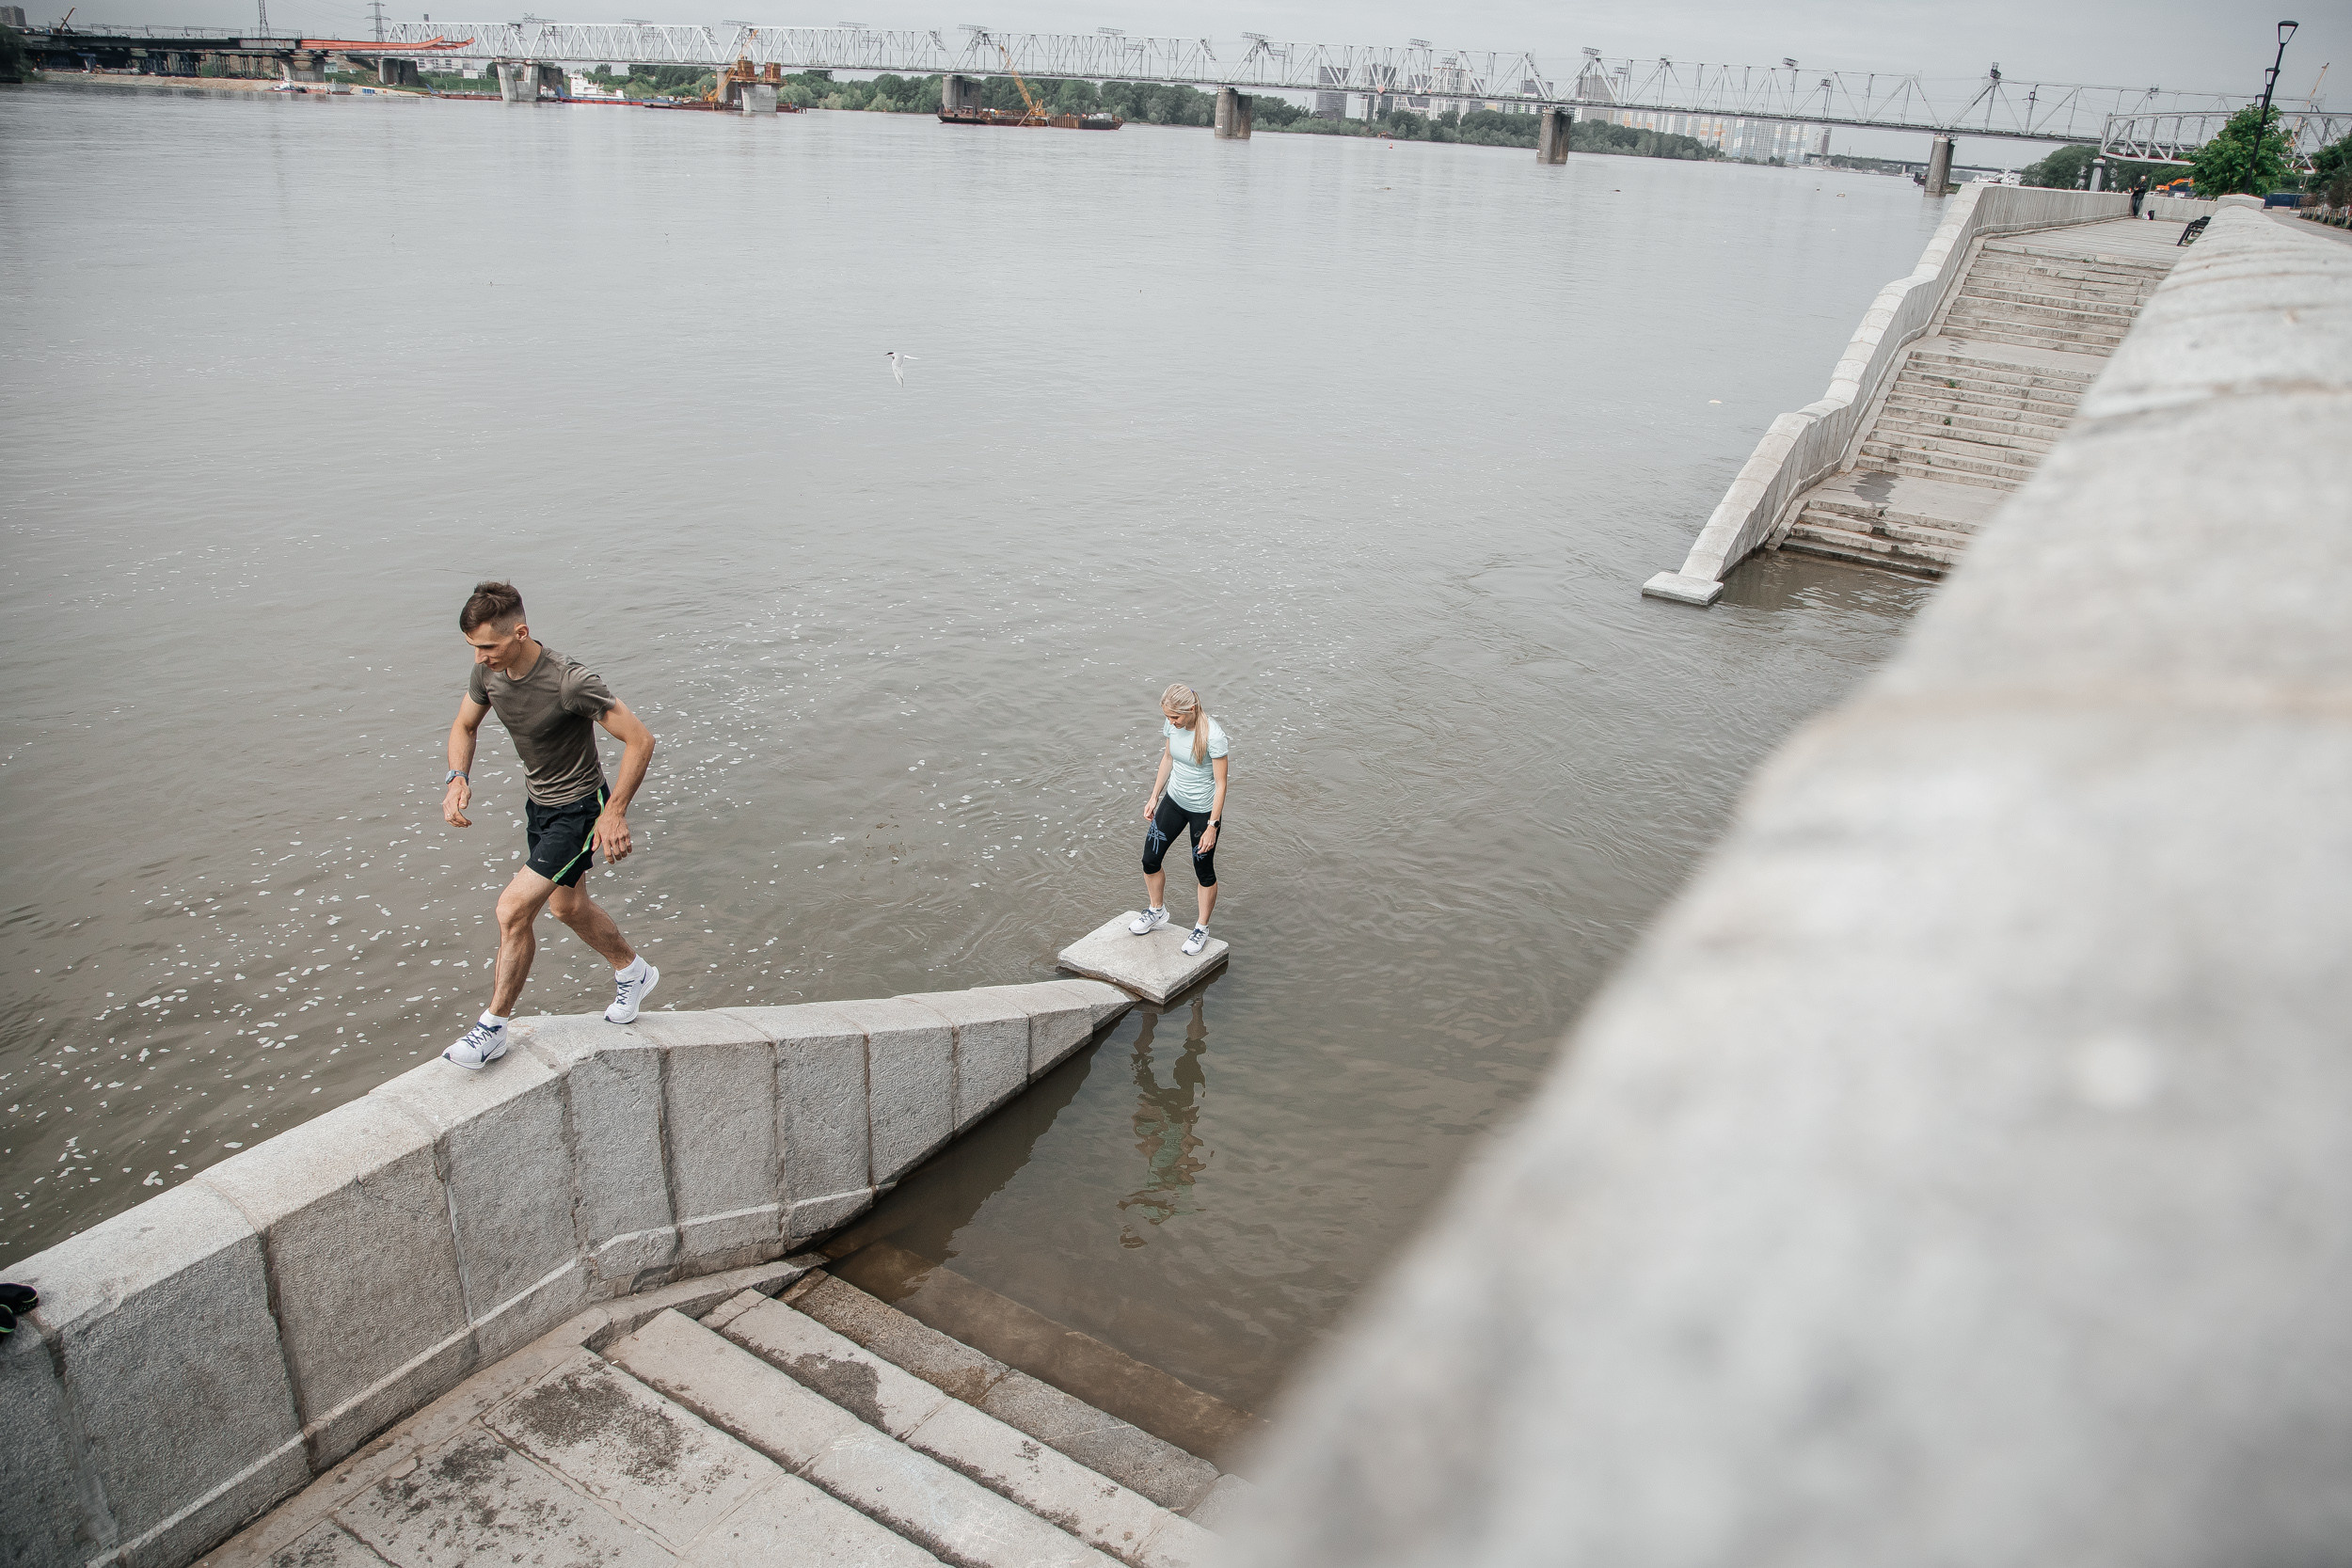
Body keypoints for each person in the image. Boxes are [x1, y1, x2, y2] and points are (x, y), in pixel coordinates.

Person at [440, 581, 660, 1069]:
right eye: (473, 647)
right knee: (568, 907)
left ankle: (492, 1029)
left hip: (581, 808)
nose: (480, 658)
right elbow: (464, 726)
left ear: (520, 632)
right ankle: (633, 971)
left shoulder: (570, 681)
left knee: (512, 910)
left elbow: (640, 740)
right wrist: (458, 777)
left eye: (488, 647)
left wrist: (615, 811)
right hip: (539, 806)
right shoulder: (487, 674)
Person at [1130, 683, 1229, 958]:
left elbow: (1221, 785)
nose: (1171, 722)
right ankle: (1156, 911)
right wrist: (1154, 796)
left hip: (1202, 811)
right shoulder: (1172, 726)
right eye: (1168, 717)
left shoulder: (1214, 736)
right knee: (1150, 859)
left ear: (1192, 709)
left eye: (1176, 717)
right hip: (1174, 801)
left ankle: (1201, 928)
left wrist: (1212, 825)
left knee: (1203, 870)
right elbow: (1168, 758)